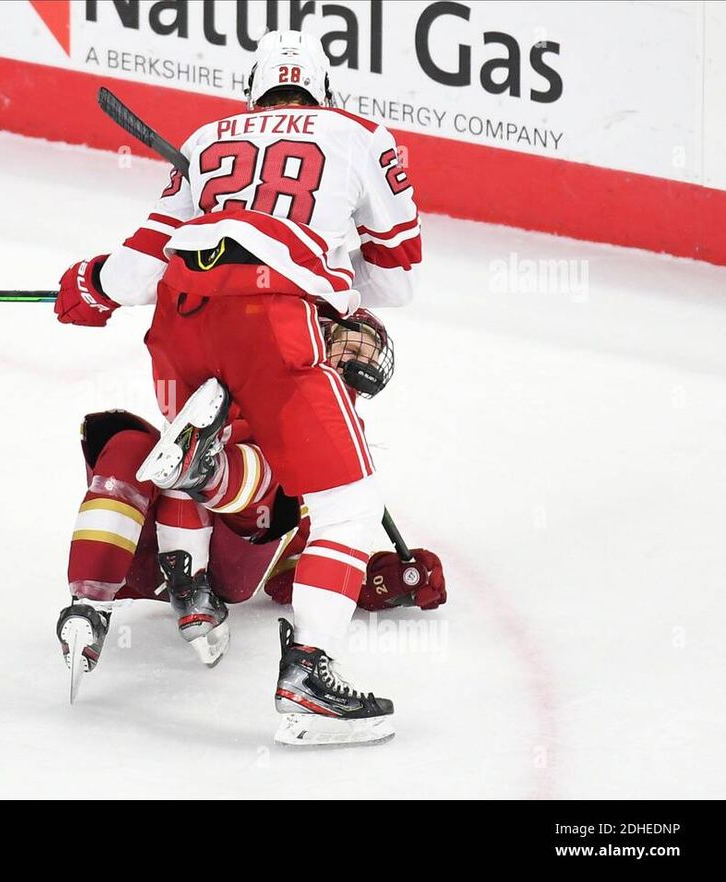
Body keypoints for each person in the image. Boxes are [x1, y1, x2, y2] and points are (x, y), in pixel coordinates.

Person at [53, 30, 423, 745]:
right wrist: (333, 258)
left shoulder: (208, 137)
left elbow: (135, 271)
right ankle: (308, 676)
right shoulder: (360, 133)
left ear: (251, 93)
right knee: (348, 504)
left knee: (220, 457)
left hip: (182, 317)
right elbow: (397, 281)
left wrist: (89, 285)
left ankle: (203, 470)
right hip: (275, 314)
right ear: (327, 92)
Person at [57, 309, 446, 702]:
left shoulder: (338, 457)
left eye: (363, 355)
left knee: (272, 462)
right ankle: (88, 606)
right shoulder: (257, 371)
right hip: (149, 558)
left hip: (233, 561)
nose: (354, 357)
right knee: (129, 447)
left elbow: (292, 578)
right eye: (351, 341)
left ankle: (203, 487)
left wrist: (387, 582)